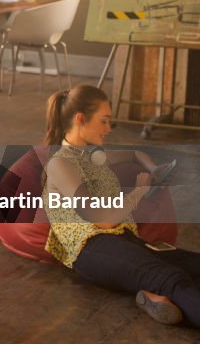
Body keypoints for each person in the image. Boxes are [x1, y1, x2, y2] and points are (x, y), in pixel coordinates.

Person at [41, 84, 200, 326]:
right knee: (171, 278)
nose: (108, 128)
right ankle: (157, 292)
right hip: (92, 247)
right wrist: (139, 192)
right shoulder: (60, 165)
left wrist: (153, 169)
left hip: (125, 238)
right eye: (103, 121)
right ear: (81, 119)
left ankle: (151, 296)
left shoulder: (94, 156)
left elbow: (134, 154)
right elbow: (101, 219)